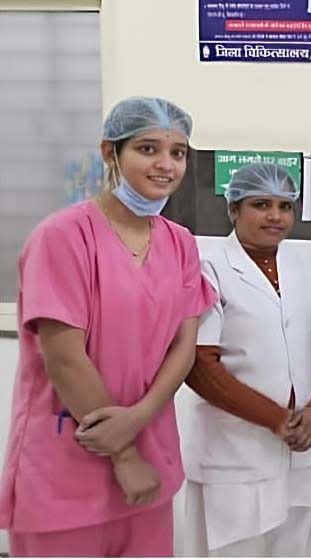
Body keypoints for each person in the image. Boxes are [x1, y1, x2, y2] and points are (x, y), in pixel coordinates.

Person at [0, 96, 215, 557]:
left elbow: (184, 345)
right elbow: (64, 358)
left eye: (177, 152)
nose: (166, 165)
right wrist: (124, 454)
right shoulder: (62, 237)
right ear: (109, 153)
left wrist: (139, 419)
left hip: (150, 454)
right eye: (147, 149)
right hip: (68, 460)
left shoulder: (179, 243)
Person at [181, 163, 311, 557]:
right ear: (233, 210)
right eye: (261, 205)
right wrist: (274, 418)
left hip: (304, 447)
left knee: (301, 549)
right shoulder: (209, 269)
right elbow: (199, 365)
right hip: (235, 449)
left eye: (285, 206)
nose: (275, 216)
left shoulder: (308, 269)